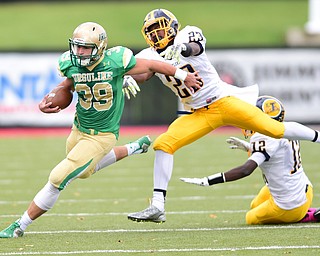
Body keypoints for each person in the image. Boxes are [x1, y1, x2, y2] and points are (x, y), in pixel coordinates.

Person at [0, 21, 202, 238]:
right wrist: (49, 100)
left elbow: (153, 65)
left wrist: (184, 76)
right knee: (85, 171)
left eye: (85, 47)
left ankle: (19, 226)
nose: (79, 52)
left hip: (102, 136)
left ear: (100, 47)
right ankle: (135, 147)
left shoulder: (116, 61)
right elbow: (66, 86)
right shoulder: (71, 63)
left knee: (58, 177)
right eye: (77, 46)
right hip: (78, 129)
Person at [126, 9, 320, 223]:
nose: (155, 35)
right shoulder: (149, 55)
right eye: (151, 32)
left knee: (275, 129)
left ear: (172, 26)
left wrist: (180, 48)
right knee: (164, 144)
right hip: (199, 114)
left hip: (223, 101)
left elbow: (195, 47)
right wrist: (127, 78)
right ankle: (157, 206)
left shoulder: (187, 34)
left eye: (158, 28)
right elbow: (142, 72)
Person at [180, 95, 320, 224]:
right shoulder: (288, 127)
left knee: (251, 218)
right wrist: (249, 147)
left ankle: (309, 215)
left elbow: (246, 170)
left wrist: (209, 181)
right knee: (255, 204)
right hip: (304, 189)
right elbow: (278, 150)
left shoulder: (264, 137)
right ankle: (304, 209)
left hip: (290, 206)